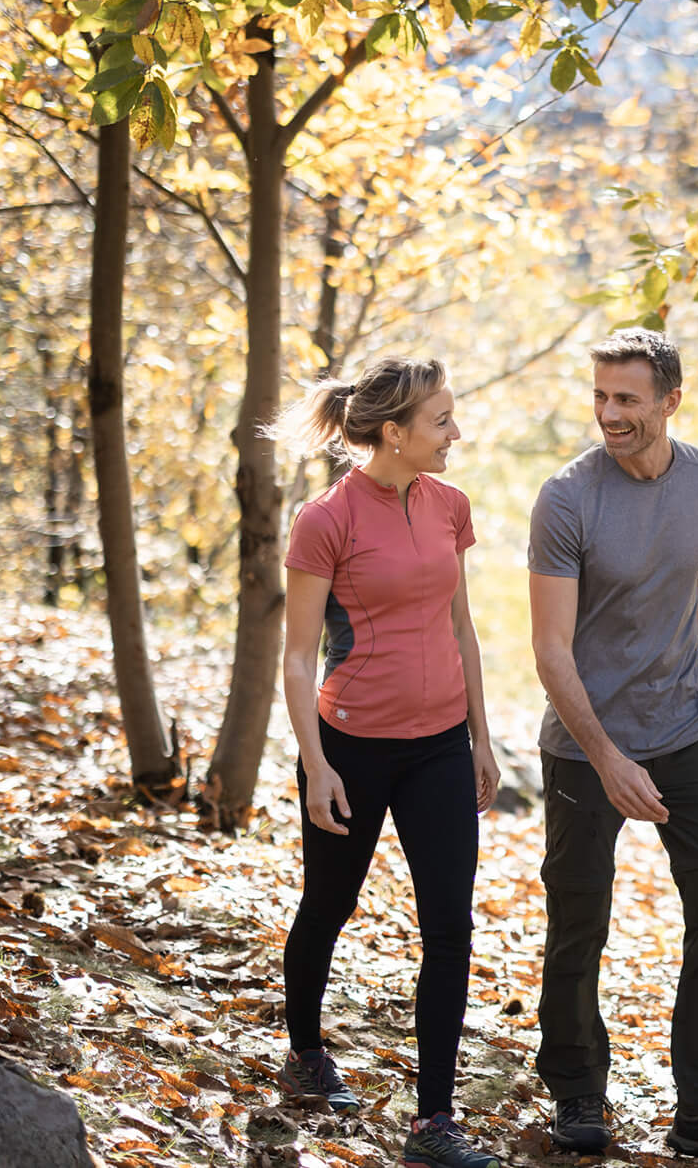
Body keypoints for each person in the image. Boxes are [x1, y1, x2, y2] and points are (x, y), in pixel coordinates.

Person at [528, 328, 698, 1168]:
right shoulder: (566, 498)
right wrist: (606, 757)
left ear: (670, 400)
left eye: (627, 398)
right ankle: (576, 1091)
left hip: (686, 729)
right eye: (600, 396)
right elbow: (552, 649)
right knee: (579, 919)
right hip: (583, 743)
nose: (609, 414)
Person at [272, 355, 505, 1168]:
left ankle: (433, 1123)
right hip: (351, 749)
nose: (456, 432)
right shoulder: (325, 518)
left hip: (441, 745)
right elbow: (298, 657)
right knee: (327, 906)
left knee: (450, 926)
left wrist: (482, 735)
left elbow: (463, 627)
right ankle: (305, 1055)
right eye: (442, 419)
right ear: (395, 432)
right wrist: (317, 763)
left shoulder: (450, 505)